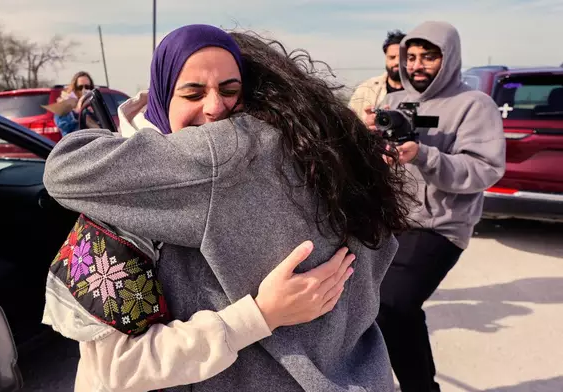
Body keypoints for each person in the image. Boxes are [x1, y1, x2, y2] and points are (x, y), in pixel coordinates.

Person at [44, 24, 414, 392]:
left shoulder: (229, 153)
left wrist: (259, 317)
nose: (214, 108)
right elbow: (116, 367)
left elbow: (65, 168)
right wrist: (261, 314)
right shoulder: (328, 149)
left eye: (230, 89)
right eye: (192, 92)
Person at [363, 21, 506, 392]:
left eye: (429, 56)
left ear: (449, 57)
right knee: (375, 305)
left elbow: (484, 169)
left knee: (393, 303)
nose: (417, 65)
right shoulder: (392, 102)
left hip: (440, 226)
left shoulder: (474, 105)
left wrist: (425, 155)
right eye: (411, 57)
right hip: (392, 219)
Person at [348, 30, 405, 123]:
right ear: (385, 57)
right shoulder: (366, 89)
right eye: (392, 57)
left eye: (402, 57)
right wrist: (366, 127)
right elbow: (348, 124)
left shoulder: (423, 91)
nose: (396, 62)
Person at [49, 71, 97, 135]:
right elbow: (63, 125)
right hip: (75, 143)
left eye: (87, 87)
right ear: (74, 88)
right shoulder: (64, 104)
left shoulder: (94, 104)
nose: (84, 90)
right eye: (80, 87)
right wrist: (77, 112)